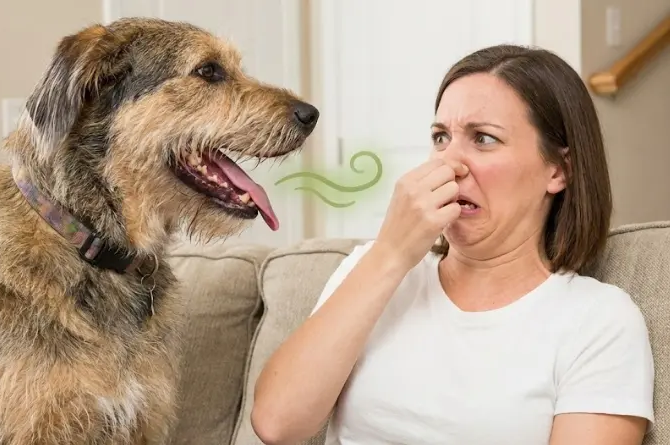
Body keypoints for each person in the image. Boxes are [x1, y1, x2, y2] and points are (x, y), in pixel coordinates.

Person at [250, 44, 655, 445]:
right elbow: (277, 425)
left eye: (483, 139)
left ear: (558, 170)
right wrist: (389, 255)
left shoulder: (598, 320)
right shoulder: (373, 270)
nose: (448, 162)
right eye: (440, 137)